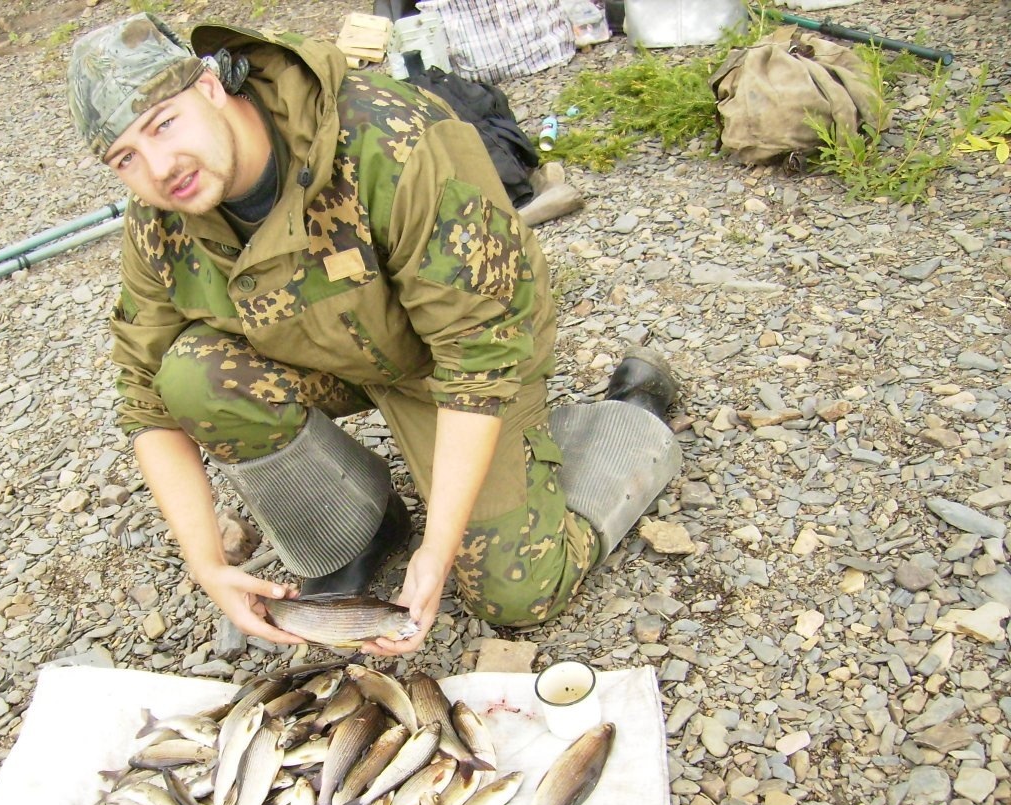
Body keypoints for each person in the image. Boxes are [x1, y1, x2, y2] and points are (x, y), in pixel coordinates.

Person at [66, 14, 683, 657]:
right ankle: (358, 529)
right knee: (193, 378)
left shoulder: (389, 140)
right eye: (126, 158)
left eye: (164, 124)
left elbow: (478, 354)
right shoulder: (160, 216)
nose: (160, 168)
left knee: (517, 592)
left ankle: (628, 418)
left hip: (466, 362)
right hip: (336, 350)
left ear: (210, 85)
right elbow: (143, 393)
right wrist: (206, 564)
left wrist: (438, 552)